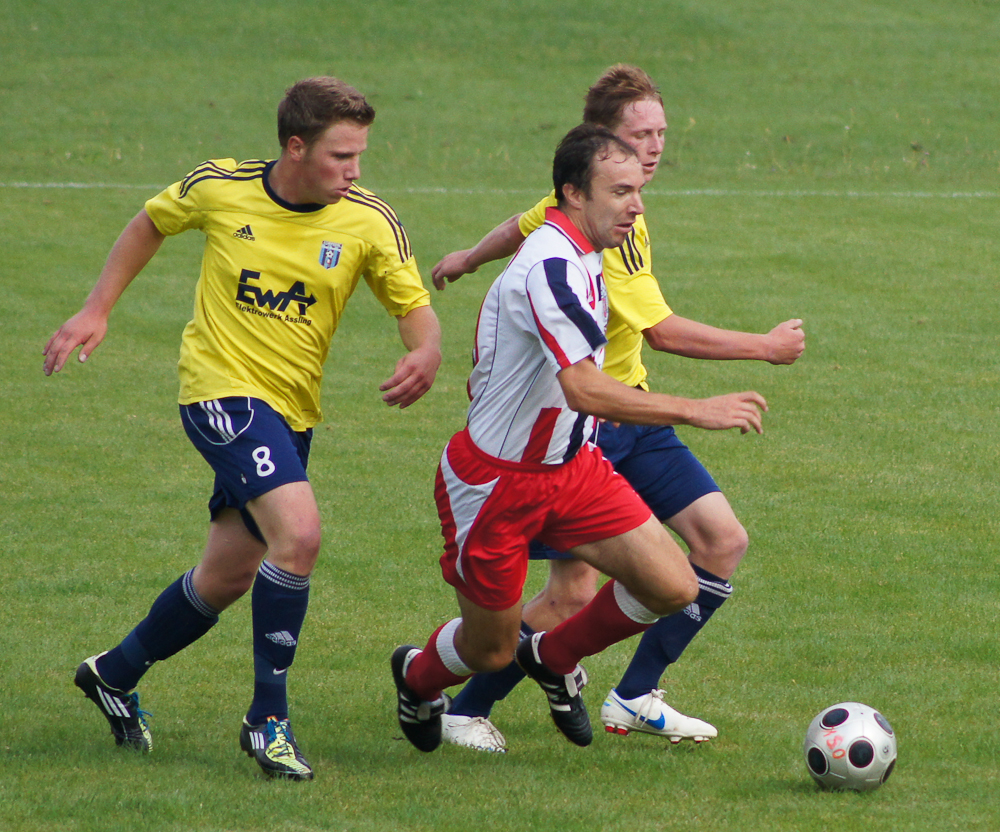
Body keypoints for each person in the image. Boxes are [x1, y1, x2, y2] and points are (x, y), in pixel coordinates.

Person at [43, 76, 442, 780]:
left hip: (291, 413)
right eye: (341, 156)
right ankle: (267, 721)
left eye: (360, 155)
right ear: (296, 147)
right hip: (220, 392)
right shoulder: (221, 187)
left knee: (227, 576)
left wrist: (426, 350)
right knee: (301, 535)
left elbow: (413, 307)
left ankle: (112, 673)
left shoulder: (369, 222)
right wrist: (97, 308)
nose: (355, 171)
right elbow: (149, 223)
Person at [430, 65, 805, 753]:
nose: (652, 149)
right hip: (593, 425)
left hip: (634, 415)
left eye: (661, 133)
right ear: (598, 151)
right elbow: (659, 330)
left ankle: (633, 695)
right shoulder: (589, 231)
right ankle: (465, 705)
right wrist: (764, 348)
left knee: (721, 542)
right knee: (570, 595)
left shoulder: (618, 211)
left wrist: (467, 257)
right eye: (638, 137)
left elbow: (516, 225)